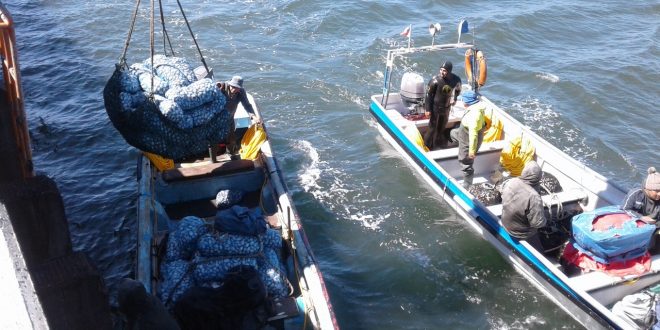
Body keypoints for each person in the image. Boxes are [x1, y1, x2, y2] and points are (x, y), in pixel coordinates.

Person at [500, 160, 547, 252]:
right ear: (538, 177)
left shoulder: (510, 182)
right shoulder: (534, 197)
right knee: (539, 252)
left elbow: (502, 193)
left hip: (505, 223)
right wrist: (546, 220)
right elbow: (537, 223)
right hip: (520, 233)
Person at [449, 90, 485, 187]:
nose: (462, 102)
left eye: (463, 100)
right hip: (463, 131)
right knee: (452, 133)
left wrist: (472, 151)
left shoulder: (473, 116)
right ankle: (458, 146)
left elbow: (473, 135)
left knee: (465, 161)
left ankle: (467, 185)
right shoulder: (477, 108)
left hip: (469, 138)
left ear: (467, 102)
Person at [423, 61, 462, 150]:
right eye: (440, 70)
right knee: (432, 128)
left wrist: (455, 98)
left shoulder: (456, 79)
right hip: (435, 108)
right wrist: (428, 109)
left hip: (446, 108)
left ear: (449, 71)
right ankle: (426, 145)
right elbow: (428, 95)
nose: (441, 72)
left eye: (444, 70)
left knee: (441, 127)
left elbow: (458, 89)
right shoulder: (435, 80)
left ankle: (437, 144)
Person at [216, 76, 256, 156]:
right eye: (233, 87)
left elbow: (247, 105)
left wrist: (253, 116)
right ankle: (217, 154)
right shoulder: (221, 89)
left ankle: (231, 154)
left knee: (231, 140)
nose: (234, 89)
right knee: (216, 139)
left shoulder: (241, 92)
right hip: (217, 120)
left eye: (237, 88)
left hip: (230, 119)